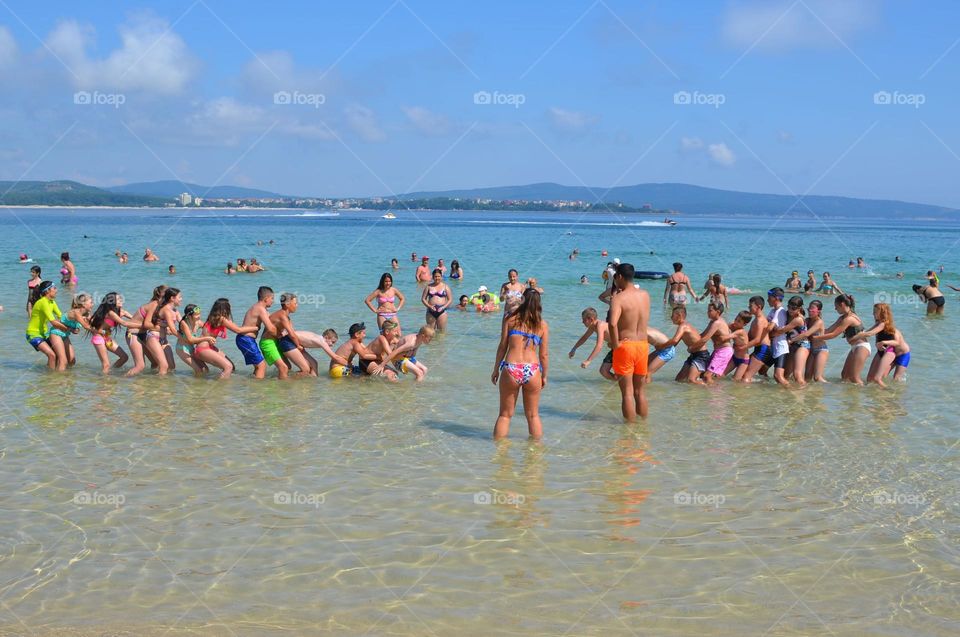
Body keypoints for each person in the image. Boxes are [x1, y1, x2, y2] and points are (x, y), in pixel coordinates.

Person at [491, 288, 549, 439]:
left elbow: (502, 346)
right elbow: (543, 355)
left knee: (505, 415)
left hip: (511, 368)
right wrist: (544, 376)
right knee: (533, 416)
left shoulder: (510, 319)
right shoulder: (542, 325)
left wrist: (496, 369)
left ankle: (499, 455)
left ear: (522, 300)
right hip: (532, 370)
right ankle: (535, 456)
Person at [608, 263, 650, 420]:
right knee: (640, 392)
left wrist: (615, 343)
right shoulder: (645, 295)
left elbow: (612, 324)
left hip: (626, 346)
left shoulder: (618, 299)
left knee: (627, 393)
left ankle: (629, 433)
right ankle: (643, 428)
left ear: (619, 277)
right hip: (643, 345)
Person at [810, 294, 868, 385]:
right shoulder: (842, 318)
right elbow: (829, 330)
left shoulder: (849, 318)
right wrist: (812, 332)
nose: (835, 309)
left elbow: (833, 335)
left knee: (854, 377)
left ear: (842, 305)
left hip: (862, 347)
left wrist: (815, 337)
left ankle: (867, 393)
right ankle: (847, 396)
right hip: (855, 347)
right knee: (844, 375)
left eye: (836, 306)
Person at [193, 298, 258, 379]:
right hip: (203, 349)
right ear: (224, 308)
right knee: (228, 367)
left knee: (232, 367)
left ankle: (222, 382)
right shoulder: (221, 319)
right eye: (229, 306)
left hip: (204, 347)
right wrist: (255, 328)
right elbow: (238, 330)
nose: (231, 307)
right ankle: (220, 389)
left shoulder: (213, 317)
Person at [239, 286, 290, 379]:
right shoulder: (260, 309)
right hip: (246, 339)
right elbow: (270, 328)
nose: (273, 301)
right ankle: (258, 390)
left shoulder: (260, 308)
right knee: (261, 366)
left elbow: (272, 320)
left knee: (258, 366)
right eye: (272, 298)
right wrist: (279, 335)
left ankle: (252, 386)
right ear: (266, 299)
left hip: (246, 339)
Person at [851, 303, 898, 387]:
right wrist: (858, 333)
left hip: (889, 352)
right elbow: (867, 332)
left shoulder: (883, 323)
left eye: (875, 312)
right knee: (869, 378)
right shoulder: (878, 323)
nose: (873, 314)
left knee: (877, 379)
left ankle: (890, 392)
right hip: (880, 352)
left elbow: (871, 333)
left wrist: (858, 336)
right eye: (873, 311)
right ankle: (873, 394)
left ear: (882, 313)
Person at [271, 293, 317, 376]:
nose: (297, 305)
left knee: (308, 367)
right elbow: (292, 334)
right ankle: (286, 381)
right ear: (288, 304)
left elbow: (291, 332)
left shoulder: (286, 316)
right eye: (295, 303)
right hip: (285, 343)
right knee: (305, 370)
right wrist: (298, 345)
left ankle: (289, 381)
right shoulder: (282, 316)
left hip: (286, 341)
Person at [26, 281, 69, 370]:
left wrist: (74, 321)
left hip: (44, 334)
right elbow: (53, 322)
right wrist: (67, 328)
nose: (56, 290)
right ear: (47, 291)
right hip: (33, 334)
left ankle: (49, 374)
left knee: (57, 354)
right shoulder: (43, 302)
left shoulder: (52, 302)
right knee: (52, 355)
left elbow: (61, 316)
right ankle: (50, 377)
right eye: (54, 288)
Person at [688, 301, 734, 385]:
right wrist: (690, 337)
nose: (708, 313)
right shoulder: (713, 322)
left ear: (718, 312)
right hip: (718, 351)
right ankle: (712, 392)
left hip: (724, 351)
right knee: (705, 375)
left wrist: (692, 347)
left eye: (710, 311)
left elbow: (705, 339)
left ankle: (717, 395)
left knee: (707, 376)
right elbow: (702, 335)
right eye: (708, 310)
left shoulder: (717, 323)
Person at [662, 305, 709, 384]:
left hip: (701, 356)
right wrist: (661, 352)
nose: (671, 318)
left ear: (679, 316)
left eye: (672, 315)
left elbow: (674, 340)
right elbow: (675, 344)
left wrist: (660, 345)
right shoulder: (683, 326)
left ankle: (711, 388)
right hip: (693, 355)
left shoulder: (683, 326)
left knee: (691, 380)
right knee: (679, 379)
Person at [88, 292, 132, 373]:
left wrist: (141, 322)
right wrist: (142, 325)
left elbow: (132, 318)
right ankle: (105, 383)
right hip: (98, 338)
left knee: (124, 357)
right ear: (112, 301)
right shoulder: (110, 313)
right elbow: (124, 323)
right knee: (106, 364)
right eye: (118, 299)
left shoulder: (120, 311)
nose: (121, 300)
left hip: (106, 337)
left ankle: (110, 372)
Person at [771, 296, 809, 385]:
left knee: (797, 374)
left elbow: (781, 331)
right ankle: (788, 395)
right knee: (786, 375)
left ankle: (804, 392)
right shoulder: (787, 314)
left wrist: (771, 332)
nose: (790, 310)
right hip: (791, 345)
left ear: (799, 308)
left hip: (803, 346)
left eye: (793, 308)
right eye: (788, 307)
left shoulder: (798, 319)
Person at [789, 299, 829, 383]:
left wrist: (791, 340)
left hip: (821, 350)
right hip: (811, 350)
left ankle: (831, 388)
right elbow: (800, 325)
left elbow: (806, 334)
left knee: (817, 377)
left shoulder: (819, 322)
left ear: (818, 311)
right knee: (807, 377)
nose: (810, 311)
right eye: (809, 309)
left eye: (812, 309)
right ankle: (809, 394)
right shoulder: (807, 320)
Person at [175, 304, 216, 375]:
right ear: (189, 316)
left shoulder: (198, 322)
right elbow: (190, 340)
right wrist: (207, 338)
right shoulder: (184, 323)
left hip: (191, 348)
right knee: (198, 370)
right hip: (182, 349)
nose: (199, 316)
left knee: (205, 369)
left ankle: (199, 384)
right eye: (196, 315)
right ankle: (195, 385)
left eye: (199, 314)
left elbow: (209, 328)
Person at [569, 307, 610, 375]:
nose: (582, 322)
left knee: (604, 371)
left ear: (591, 319)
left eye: (584, 320)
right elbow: (584, 337)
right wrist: (574, 349)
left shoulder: (600, 325)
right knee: (604, 371)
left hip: (622, 346)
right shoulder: (592, 326)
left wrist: (588, 361)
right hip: (615, 348)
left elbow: (599, 345)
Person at [741, 296, 770, 383]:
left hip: (763, 350)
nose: (748, 307)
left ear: (758, 307)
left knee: (746, 377)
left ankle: (745, 395)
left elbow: (757, 340)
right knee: (744, 373)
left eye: (750, 306)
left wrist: (743, 347)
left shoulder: (760, 321)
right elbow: (749, 336)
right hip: (759, 349)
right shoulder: (755, 320)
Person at [727, 310, 753, 380]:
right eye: (735, 319)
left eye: (739, 321)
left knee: (736, 380)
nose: (735, 322)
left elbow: (727, 336)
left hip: (743, 361)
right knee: (721, 374)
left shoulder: (741, 332)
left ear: (744, 324)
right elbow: (725, 326)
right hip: (735, 357)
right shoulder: (734, 325)